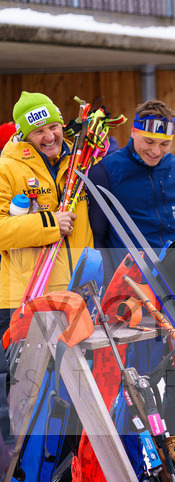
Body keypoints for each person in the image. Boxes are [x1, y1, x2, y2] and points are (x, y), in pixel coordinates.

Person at [0, 92, 92, 338]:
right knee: (23, 376)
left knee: (72, 375)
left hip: (77, 292)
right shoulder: (6, 169)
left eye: (53, 127)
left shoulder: (79, 161)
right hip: (25, 298)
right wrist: (51, 223)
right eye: (39, 131)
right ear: (24, 136)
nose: (50, 137)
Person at [87, 100, 175, 275]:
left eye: (164, 144)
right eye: (149, 141)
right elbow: (98, 239)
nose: (156, 151)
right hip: (131, 283)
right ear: (133, 132)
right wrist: (108, 284)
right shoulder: (104, 171)